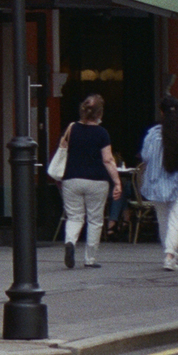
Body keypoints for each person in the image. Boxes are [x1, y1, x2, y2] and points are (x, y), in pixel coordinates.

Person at [53, 95, 121, 270]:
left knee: (74, 217)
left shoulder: (71, 128)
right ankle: (90, 258)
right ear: (99, 113)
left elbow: (62, 150)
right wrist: (117, 181)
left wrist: (58, 178)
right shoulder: (102, 133)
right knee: (95, 219)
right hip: (97, 180)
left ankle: (70, 242)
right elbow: (107, 160)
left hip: (71, 178)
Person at [138, 96, 178, 272]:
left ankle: (168, 253)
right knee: (177, 219)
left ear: (161, 112)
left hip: (157, 182)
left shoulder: (153, 134)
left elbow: (145, 156)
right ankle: (170, 255)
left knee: (163, 219)